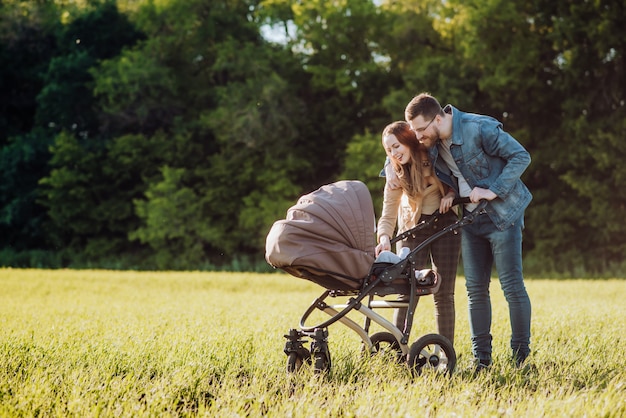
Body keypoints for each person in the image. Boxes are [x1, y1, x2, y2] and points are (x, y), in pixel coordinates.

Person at [397, 92, 533, 371]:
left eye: (422, 130)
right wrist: (449, 192)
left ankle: (521, 359)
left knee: (511, 287)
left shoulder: (478, 127)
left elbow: (521, 156)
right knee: (475, 291)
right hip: (470, 221)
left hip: (502, 217)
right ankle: (481, 360)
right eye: (416, 131)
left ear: (438, 118)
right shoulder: (432, 143)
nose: (419, 136)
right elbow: (404, 157)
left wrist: (493, 190)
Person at [376, 121, 461, 346]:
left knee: (443, 294)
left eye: (396, 146)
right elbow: (388, 212)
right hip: (412, 231)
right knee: (406, 293)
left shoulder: (433, 157)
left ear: (407, 141)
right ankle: (397, 350)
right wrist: (384, 236)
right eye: (389, 150)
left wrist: (451, 194)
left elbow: (455, 175)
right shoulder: (395, 173)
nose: (394, 153)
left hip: (445, 226)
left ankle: (446, 352)